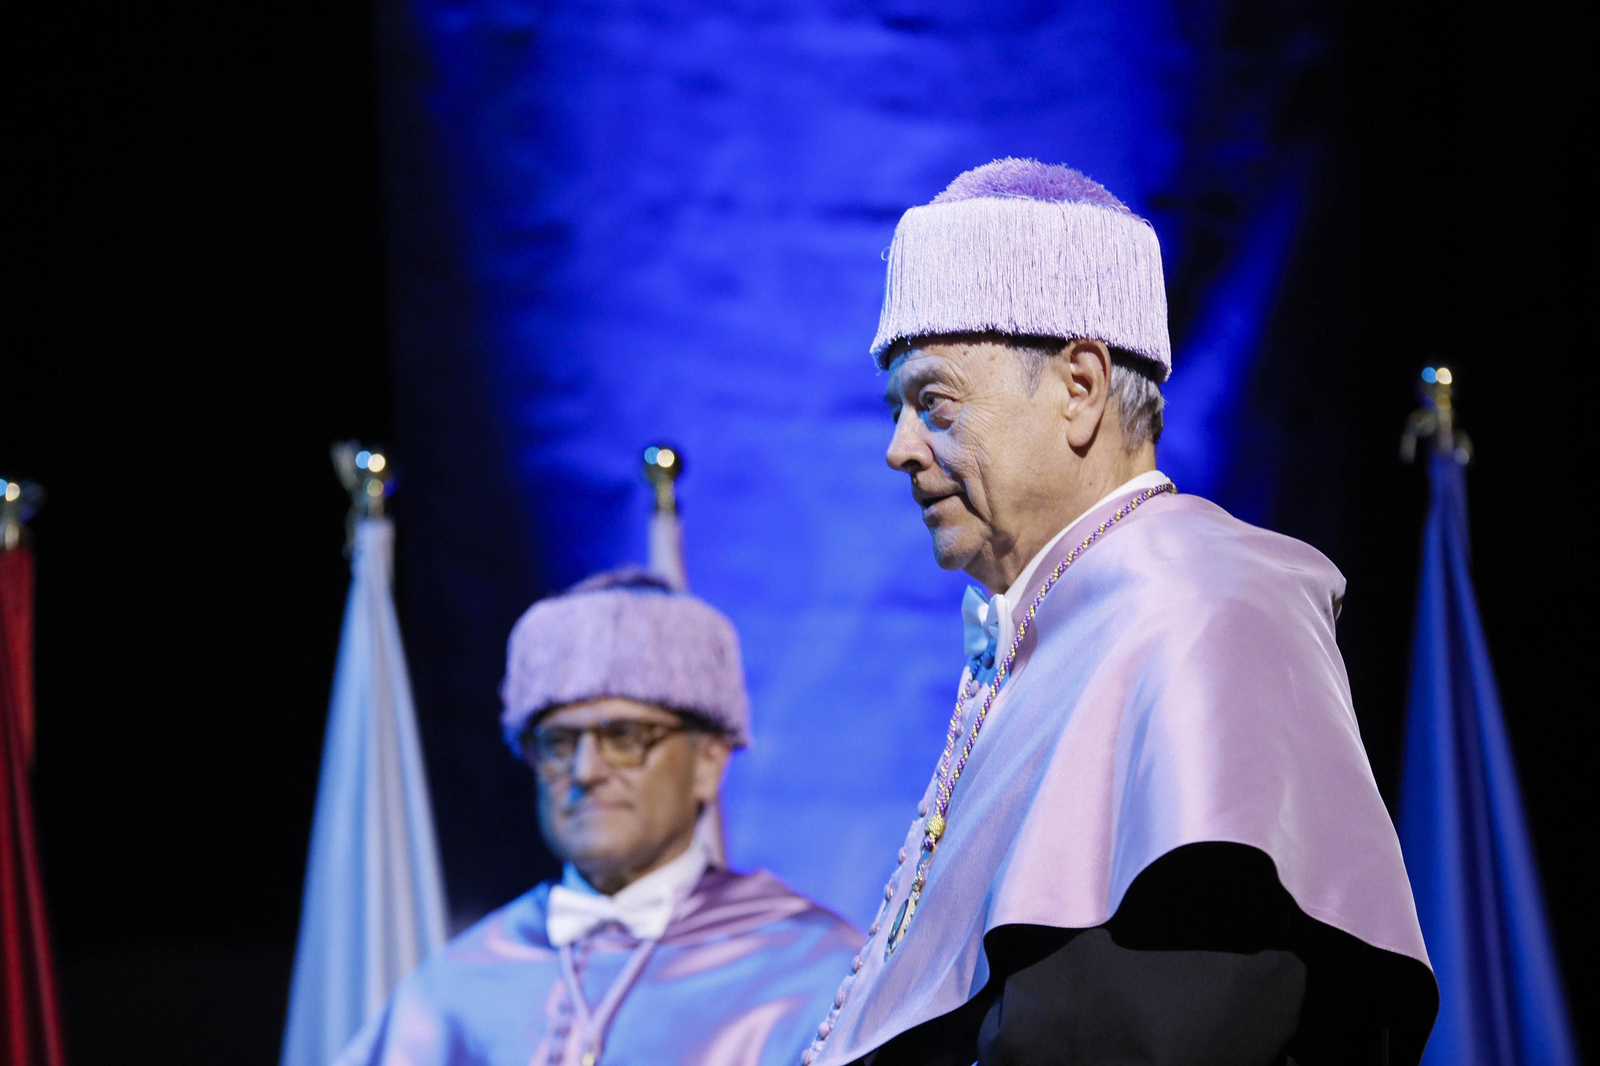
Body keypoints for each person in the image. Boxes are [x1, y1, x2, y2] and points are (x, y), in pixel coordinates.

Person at [802, 159, 1437, 1066]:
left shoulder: (1200, 610)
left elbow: (1167, 1020)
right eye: (896, 409)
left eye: (933, 402)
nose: (900, 449)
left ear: (1081, 386)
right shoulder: (1054, 622)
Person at [339, 568, 860, 1066]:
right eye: (558, 742)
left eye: (625, 737)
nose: (586, 770)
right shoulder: (457, 986)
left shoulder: (814, 970)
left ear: (707, 762)